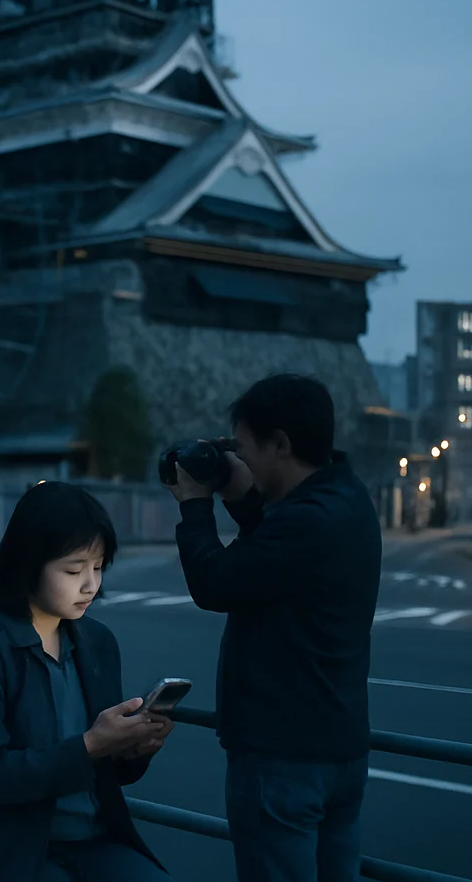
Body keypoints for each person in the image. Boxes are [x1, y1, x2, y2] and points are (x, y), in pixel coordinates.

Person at [166, 374, 381, 882]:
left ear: (280, 444)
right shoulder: (346, 498)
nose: (239, 461)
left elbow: (215, 584)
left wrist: (195, 502)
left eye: (243, 449)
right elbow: (278, 556)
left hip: (284, 759)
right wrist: (243, 497)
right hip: (339, 751)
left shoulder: (303, 522)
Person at [0, 481, 175, 882]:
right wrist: (92, 744)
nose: (91, 584)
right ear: (28, 565)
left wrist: (131, 750)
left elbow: (107, 775)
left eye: (98, 567)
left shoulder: (97, 642)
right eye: (74, 570)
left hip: (93, 841)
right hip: (0, 850)